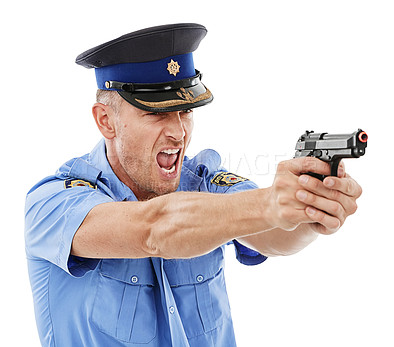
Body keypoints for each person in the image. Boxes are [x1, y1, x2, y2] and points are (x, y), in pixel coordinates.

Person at [25, 23, 362, 347]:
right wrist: (268, 204)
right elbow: (154, 230)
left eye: (185, 111)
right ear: (106, 121)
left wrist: (310, 208)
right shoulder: (54, 203)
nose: (179, 132)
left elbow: (274, 237)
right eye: (156, 114)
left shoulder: (206, 183)